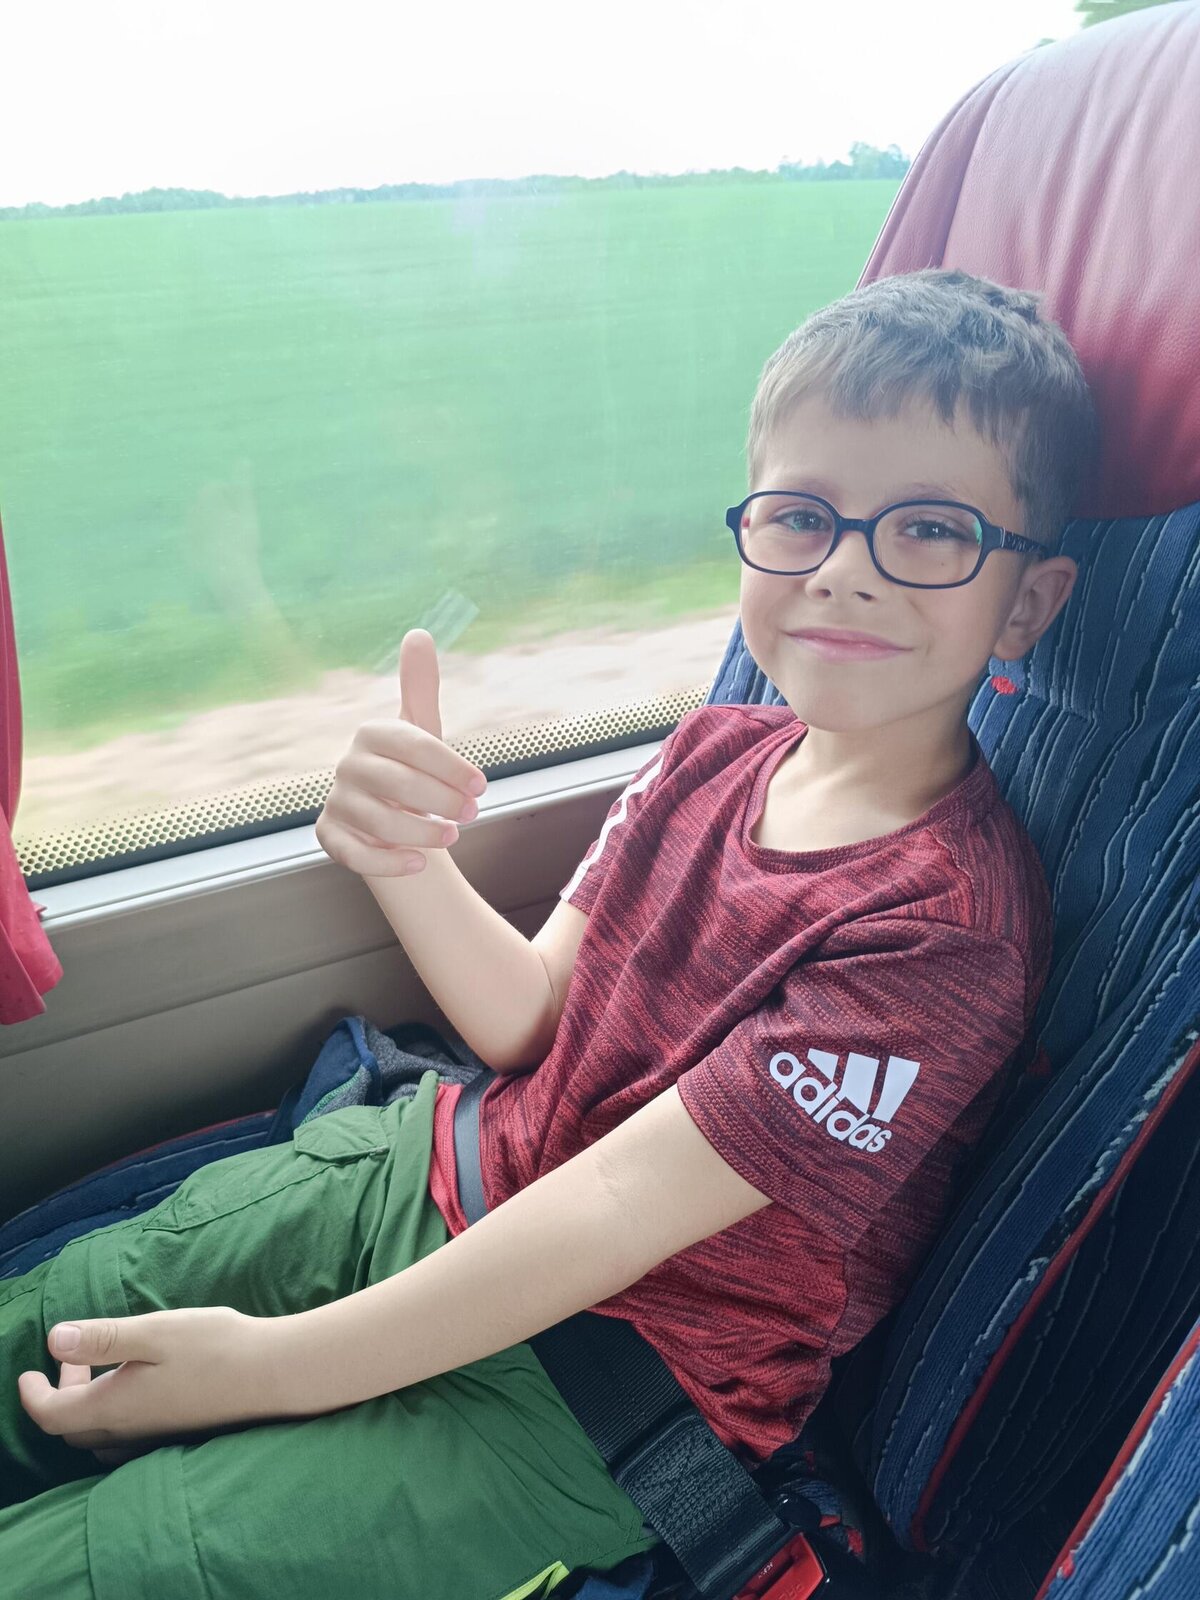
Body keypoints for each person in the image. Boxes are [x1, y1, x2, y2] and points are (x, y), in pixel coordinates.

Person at [0, 268, 1098, 1599]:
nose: (844, 571)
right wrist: (409, 864)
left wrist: (269, 1368)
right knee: (43, 1329)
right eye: (802, 516)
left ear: (1027, 603)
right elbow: (531, 1020)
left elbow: (621, 1211)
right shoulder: (710, 752)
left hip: (584, 1386)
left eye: (928, 531)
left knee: (87, 1568)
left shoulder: (946, 929)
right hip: (428, 1172)